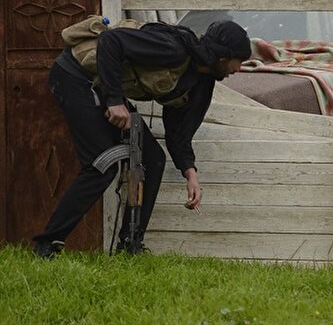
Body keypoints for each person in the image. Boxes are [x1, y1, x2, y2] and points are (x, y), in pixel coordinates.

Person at [33, 19, 252, 259]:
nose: (239, 69)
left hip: (103, 87)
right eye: (238, 60)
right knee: (101, 165)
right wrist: (115, 101)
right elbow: (111, 41)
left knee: (153, 159)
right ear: (223, 56)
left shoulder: (201, 82)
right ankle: (47, 244)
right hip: (76, 77)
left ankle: (130, 246)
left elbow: (179, 135)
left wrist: (190, 174)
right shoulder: (173, 48)